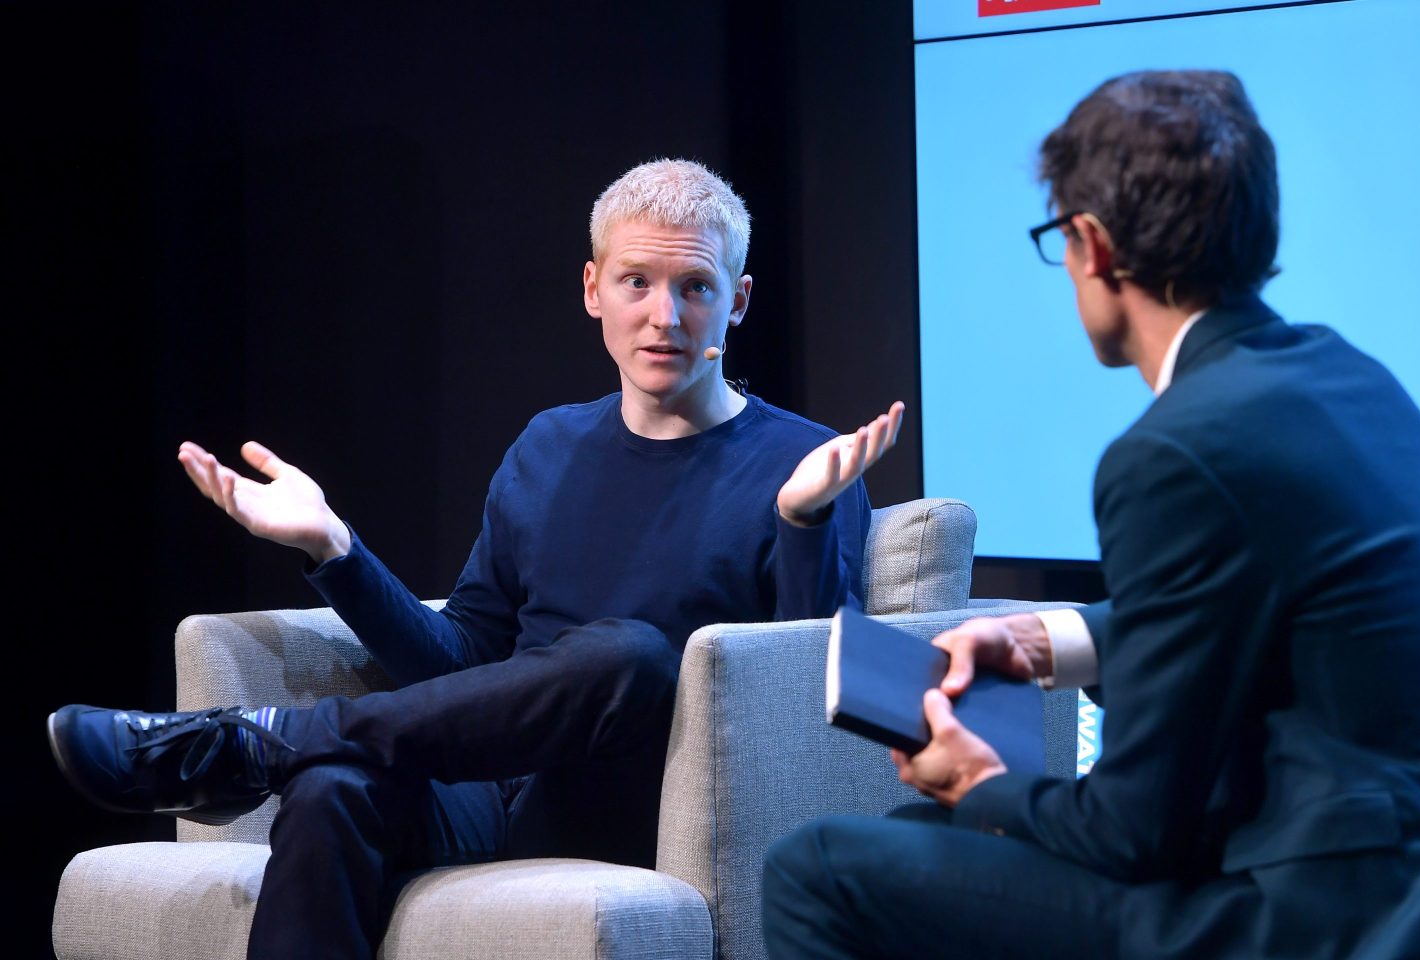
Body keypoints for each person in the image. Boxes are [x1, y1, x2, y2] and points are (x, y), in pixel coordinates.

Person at [47, 157, 905, 960]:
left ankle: (258, 745)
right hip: (494, 787)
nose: (665, 316)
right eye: (636, 283)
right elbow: (462, 660)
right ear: (592, 290)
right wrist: (332, 548)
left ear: (739, 301)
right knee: (330, 793)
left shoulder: (808, 466)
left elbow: (815, 696)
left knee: (635, 656)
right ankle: (280, 754)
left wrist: (802, 521)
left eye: (696, 287)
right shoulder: (548, 445)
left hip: (642, 796)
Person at [761, 70, 1420, 959]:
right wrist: (1049, 640)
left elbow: (1134, 831)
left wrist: (981, 782)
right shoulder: (1352, 377)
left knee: (818, 868)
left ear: (1092, 245)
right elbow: (1256, 615)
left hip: (1304, 914)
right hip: (1398, 880)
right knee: (909, 835)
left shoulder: (1172, 451)